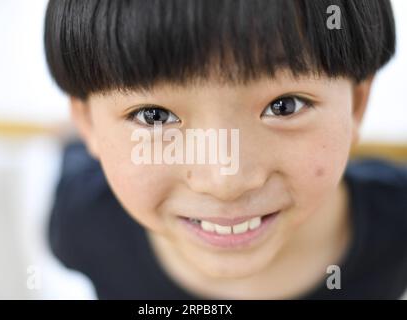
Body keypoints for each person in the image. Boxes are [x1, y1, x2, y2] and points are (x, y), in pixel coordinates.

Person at [44, 0, 407, 299]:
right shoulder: (84, 222)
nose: (225, 182)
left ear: (357, 105)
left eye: (286, 105)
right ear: (88, 122)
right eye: (153, 116)